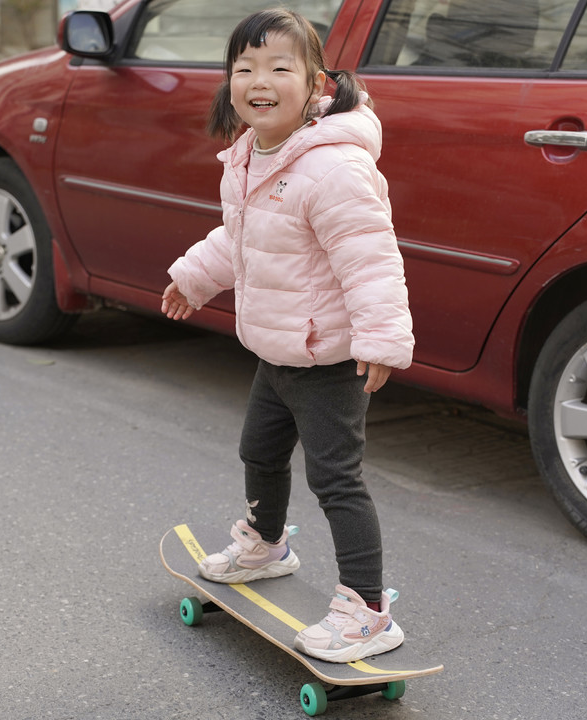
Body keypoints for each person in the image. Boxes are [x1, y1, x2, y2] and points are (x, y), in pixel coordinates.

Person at [161, 8, 413, 664]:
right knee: (260, 453)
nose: (259, 80)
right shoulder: (249, 155)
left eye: (279, 67)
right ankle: (266, 545)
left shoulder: (332, 168)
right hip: (274, 350)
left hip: (327, 359)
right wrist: (193, 278)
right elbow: (243, 240)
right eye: (244, 68)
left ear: (316, 85)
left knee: (337, 480)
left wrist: (381, 338)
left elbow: (371, 254)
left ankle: (368, 609)